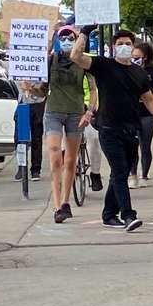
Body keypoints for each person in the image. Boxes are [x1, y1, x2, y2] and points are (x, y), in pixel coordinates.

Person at [70, 28, 153, 232]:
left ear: (133, 46)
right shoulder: (103, 65)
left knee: (122, 173)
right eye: (119, 44)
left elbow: (149, 99)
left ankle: (109, 214)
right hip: (109, 128)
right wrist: (84, 33)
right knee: (118, 171)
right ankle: (128, 215)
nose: (124, 47)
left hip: (130, 129)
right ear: (114, 47)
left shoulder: (139, 73)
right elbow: (76, 56)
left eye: (127, 43)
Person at [43, 25, 94, 223]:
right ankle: (57, 205)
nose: (66, 41)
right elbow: (42, 89)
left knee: (71, 159)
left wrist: (89, 111)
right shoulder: (51, 61)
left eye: (69, 38)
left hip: (75, 112)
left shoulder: (82, 60)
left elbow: (93, 88)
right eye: (62, 37)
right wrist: (31, 86)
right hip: (53, 111)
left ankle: (65, 202)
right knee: (55, 154)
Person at [128, 41, 153, 189]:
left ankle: (144, 174)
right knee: (132, 145)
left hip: (147, 113)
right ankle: (132, 174)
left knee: (145, 145)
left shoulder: (151, 71)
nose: (135, 59)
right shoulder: (127, 69)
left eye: (138, 57)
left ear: (145, 57)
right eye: (133, 56)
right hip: (131, 112)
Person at [15, 79, 47, 182]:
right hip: (23, 102)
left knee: (37, 136)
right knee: (20, 138)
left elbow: (45, 82)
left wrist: (32, 87)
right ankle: (21, 166)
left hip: (38, 102)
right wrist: (21, 84)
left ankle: (36, 169)